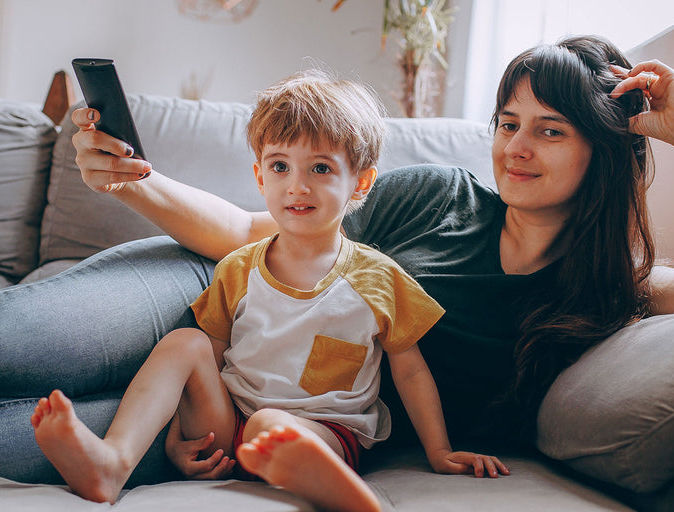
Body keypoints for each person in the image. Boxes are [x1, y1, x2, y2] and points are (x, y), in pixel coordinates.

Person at [0, 35, 674, 486]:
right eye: (508, 122)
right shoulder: (441, 194)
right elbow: (254, 231)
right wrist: (137, 184)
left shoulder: (609, 291)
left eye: (550, 130)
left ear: (602, 152)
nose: (516, 147)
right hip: (223, 288)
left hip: (271, 399)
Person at [26, 71, 507, 510]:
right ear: (259, 176)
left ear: (360, 184)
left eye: (320, 169)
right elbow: (206, 364)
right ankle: (113, 461)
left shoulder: (379, 277)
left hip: (324, 433)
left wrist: (439, 451)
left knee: (269, 426)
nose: (297, 186)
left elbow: (412, 373)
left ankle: (346, 494)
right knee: (185, 342)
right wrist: (176, 440)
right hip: (231, 421)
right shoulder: (238, 268)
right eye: (280, 167)